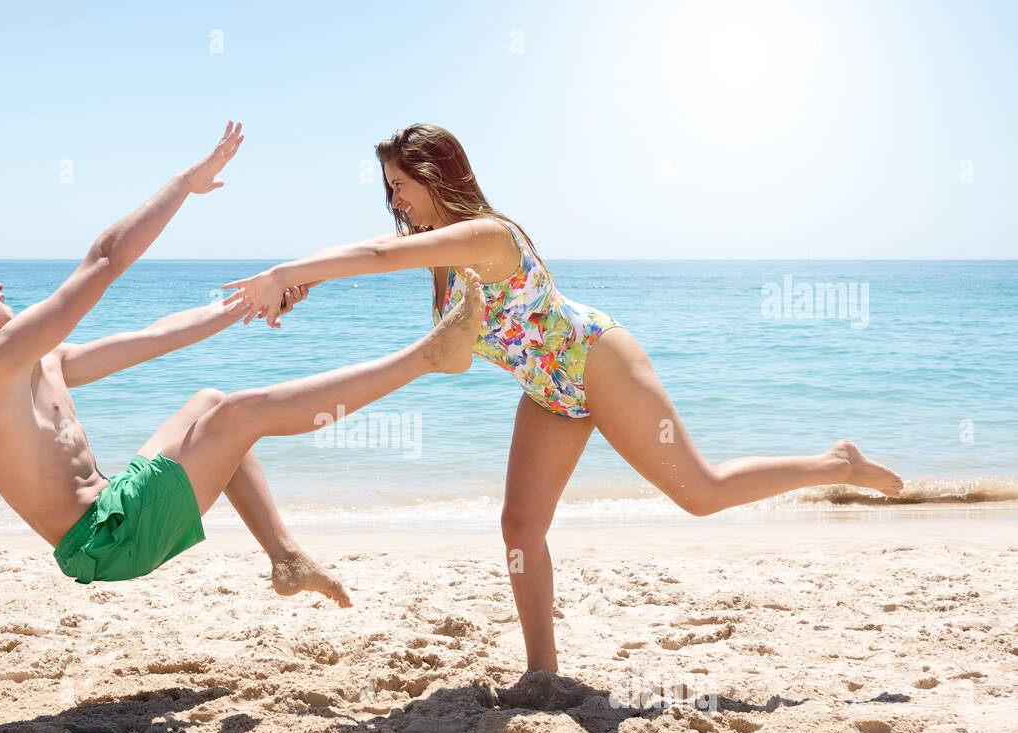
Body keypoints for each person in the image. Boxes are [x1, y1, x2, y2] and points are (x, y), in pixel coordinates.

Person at [223, 123, 905, 673]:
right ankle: (543, 674)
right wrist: (301, 287)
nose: (394, 201)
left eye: (400, 186)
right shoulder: (437, 253)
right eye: (389, 190)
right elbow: (386, 262)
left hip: (596, 359)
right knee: (520, 526)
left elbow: (373, 256)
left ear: (435, 178)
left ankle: (837, 462)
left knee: (700, 492)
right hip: (549, 391)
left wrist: (287, 268)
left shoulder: (488, 236)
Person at [0, 121, 489, 605]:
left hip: (113, 510)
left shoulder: (35, 363)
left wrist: (254, 303)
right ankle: (426, 356)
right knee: (238, 414)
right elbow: (103, 260)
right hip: (107, 539)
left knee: (208, 405)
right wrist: (185, 182)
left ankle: (286, 560)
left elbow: (157, 336)